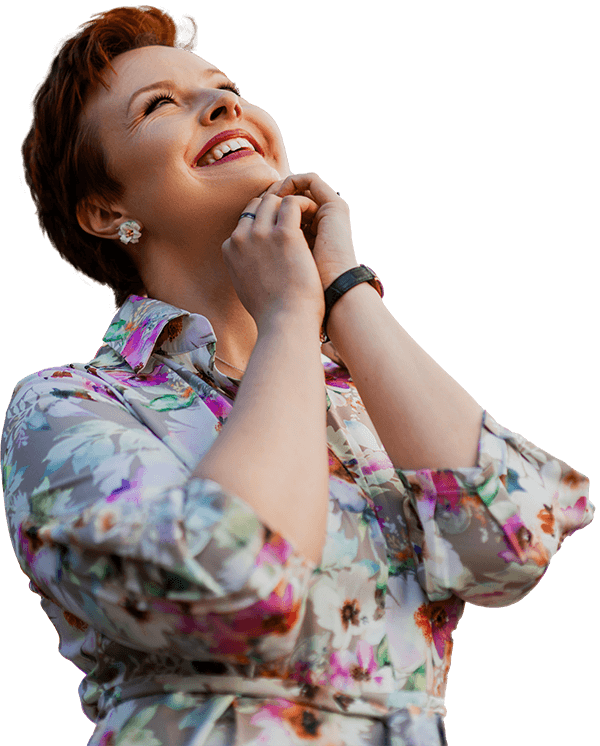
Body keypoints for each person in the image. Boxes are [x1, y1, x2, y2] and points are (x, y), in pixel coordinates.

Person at [3, 6, 593, 745]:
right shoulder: (71, 404)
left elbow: (511, 544)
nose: (223, 105)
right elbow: (240, 586)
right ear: (104, 209)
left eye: (226, 89)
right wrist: (286, 315)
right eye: (158, 105)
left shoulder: (363, 392)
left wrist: (341, 288)